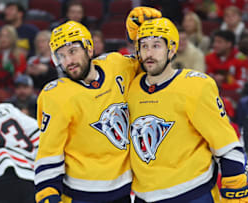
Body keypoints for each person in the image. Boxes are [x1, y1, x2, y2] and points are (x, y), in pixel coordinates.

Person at [126, 13, 248, 202]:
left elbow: (226, 145)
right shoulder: (131, 87)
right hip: (143, 196)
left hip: (192, 195)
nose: (149, 53)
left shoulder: (196, 86)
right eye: (144, 46)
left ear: (171, 50)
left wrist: (236, 187)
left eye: (156, 46)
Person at [34, 7, 160, 202]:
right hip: (80, 193)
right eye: (61, 56)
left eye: (73, 51)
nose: (68, 61)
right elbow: (49, 149)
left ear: (89, 48)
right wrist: (47, 190)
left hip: (126, 188)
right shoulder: (55, 95)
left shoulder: (116, 64)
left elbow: (151, 65)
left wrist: (140, 37)